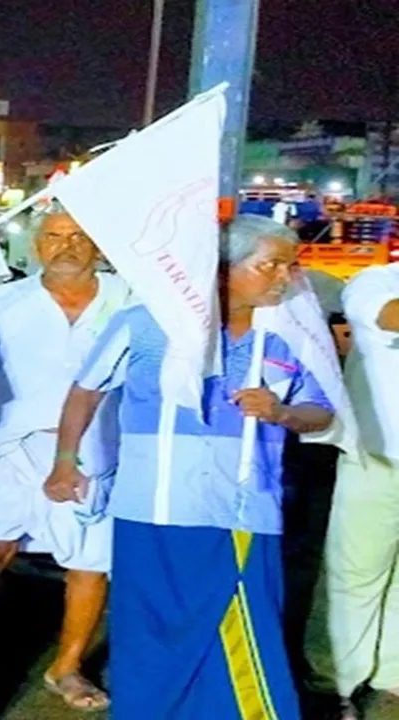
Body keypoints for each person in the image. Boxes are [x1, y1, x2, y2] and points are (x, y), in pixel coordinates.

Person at [50, 214, 335, 718]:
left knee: (246, 628)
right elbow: (85, 390)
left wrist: (281, 412)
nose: (283, 278)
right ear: (224, 269)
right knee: (151, 631)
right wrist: (66, 461)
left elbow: (321, 411)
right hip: (152, 507)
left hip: (242, 511)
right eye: (270, 265)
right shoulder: (145, 324)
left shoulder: (289, 335)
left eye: (289, 267)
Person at [0, 205, 129, 711]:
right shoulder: (3, 303)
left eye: (79, 237)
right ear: (36, 246)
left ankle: (67, 667)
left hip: (97, 452)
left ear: (99, 247)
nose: (66, 246)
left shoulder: (129, 300)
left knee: (90, 562)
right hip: (10, 446)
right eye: (54, 236)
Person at [305, 261, 399, 720]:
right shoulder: (375, 282)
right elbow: (386, 316)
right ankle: (335, 679)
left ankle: (391, 675)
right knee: (354, 574)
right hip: (378, 459)